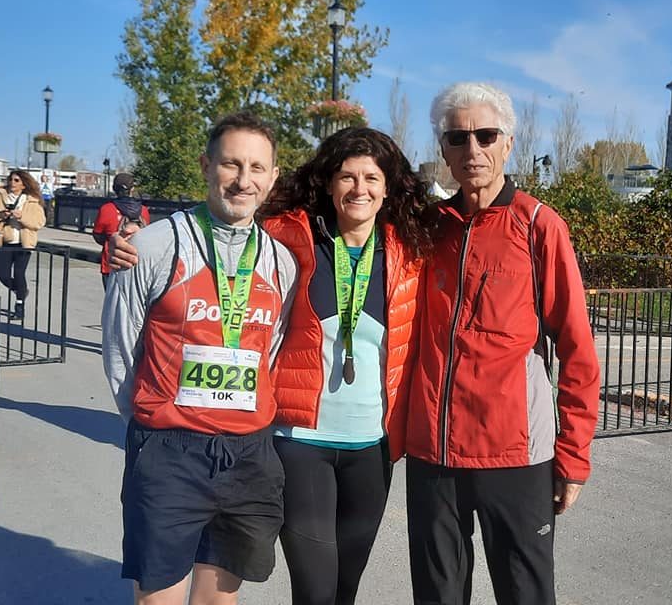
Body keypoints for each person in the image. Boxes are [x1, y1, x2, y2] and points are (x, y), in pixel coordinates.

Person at [108, 127, 432, 605]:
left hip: (362, 445)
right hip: (288, 442)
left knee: (336, 586)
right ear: (327, 182)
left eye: (371, 177)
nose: (359, 188)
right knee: (311, 587)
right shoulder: (290, 241)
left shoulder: (412, 252)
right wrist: (144, 426)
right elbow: (122, 345)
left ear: (389, 186)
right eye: (346, 176)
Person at [404, 82, 600, 605]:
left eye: (486, 136)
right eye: (458, 138)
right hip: (434, 453)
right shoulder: (428, 230)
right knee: (437, 595)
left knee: (525, 594)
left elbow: (577, 349)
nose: (473, 150)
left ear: (507, 143)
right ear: (442, 148)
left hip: (514, 454)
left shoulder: (539, 226)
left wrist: (573, 456)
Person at [101, 112, 298, 605]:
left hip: (249, 452)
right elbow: (120, 348)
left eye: (257, 167)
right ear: (207, 166)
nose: (243, 179)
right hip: (170, 448)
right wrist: (153, 423)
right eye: (231, 164)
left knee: (218, 599)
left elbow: (267, 348)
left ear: (273, 177)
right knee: (159, 597)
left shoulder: (281, 261)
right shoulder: (151, 246)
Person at [0, 170, 47, 320]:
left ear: (24, 184)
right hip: (5, 241)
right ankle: (21, 290)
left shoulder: (32, 200)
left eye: (17, 180)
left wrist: (22, 217)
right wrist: (1, 214)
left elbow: (39, 222)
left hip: (24, 242)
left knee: (19, 274)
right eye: (11, 179)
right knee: (3, 275)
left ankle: (19, 306)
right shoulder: (0, 195)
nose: (13, 183)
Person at [93, 171, 151, 286]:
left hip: (111, 264)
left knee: (112, 302)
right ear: (132, 189)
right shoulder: (143, 210)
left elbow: (98, 235)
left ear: (114, 189)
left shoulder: (106, 209)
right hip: (136, 264)